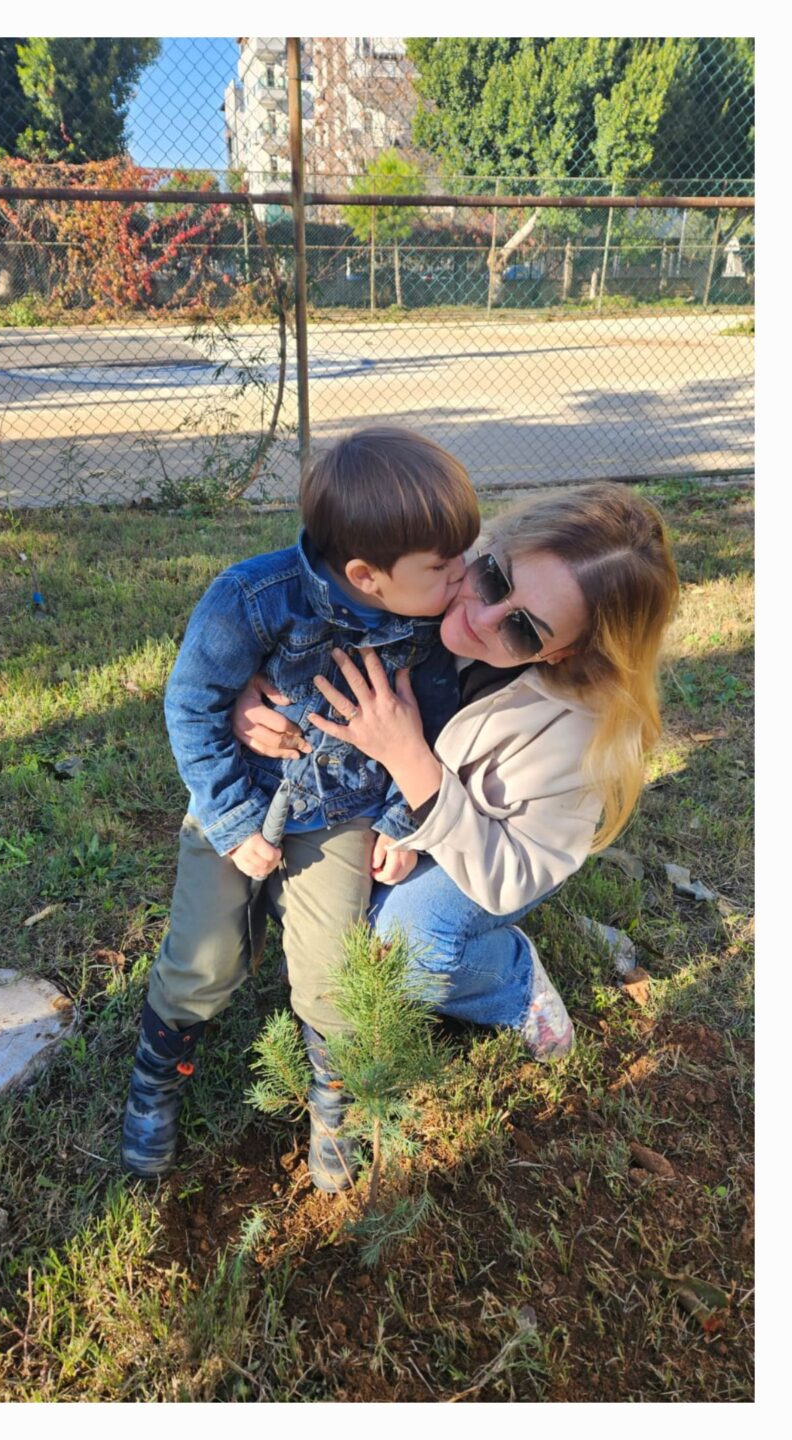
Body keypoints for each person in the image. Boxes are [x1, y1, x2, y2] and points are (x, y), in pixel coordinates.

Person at [125, 428, 478, 1191]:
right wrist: (230, 821)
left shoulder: (430, 626)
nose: (463, 578)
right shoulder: (253, 598)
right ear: (366, 575)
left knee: (329, 980)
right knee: (203, 961)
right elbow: (192, 704)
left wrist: (396, 823)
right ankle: (157, 1073)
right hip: (241, 800)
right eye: (443, 567)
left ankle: (331, 1101)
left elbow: (433, 727)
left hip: (343, 815)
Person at [232, 483, 680, 1068]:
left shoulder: (585, 732)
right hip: (396, 811)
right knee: (318, 911)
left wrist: (409, 761)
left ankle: (512, 982)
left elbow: (511, 875)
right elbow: (298, 602)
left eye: (524, 630)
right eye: (494, 576)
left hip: (490, 853)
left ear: (564, 655)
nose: (480, 616)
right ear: (496, 544)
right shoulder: (437, 562)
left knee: (400, 955)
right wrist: (250, 686)